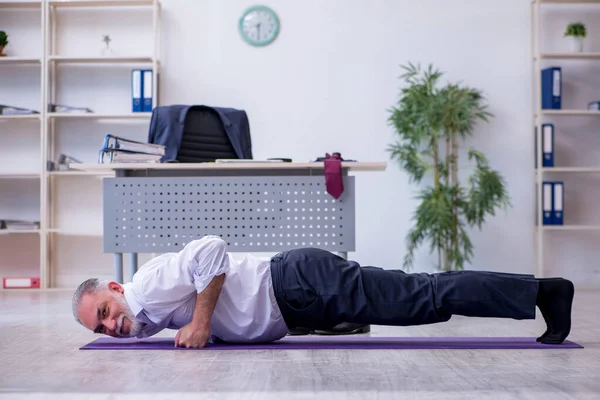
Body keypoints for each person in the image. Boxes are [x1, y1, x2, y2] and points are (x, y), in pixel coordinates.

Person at [72, 235, 575, 348]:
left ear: (115, 288)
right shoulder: (147, 317)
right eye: (101, 327)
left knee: (423, 296)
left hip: (297, 285)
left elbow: (210, 249)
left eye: (105, 311)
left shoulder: (145, 287)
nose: (110, 326)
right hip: (298, 300)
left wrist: (202, 323)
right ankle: (536, 293)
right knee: (420, 301)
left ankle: (544, 292)